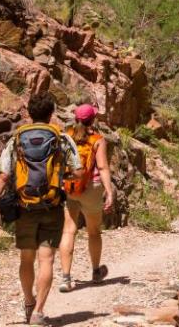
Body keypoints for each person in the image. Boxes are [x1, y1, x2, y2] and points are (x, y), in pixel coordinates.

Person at [0, 94, 83, 326]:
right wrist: (58, 177)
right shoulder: (62, 138)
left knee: (26, 258)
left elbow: (2, 177)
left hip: (24, 206)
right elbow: (78, 172)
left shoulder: (16, 139)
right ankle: (38, 312)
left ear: (29, 113)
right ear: (51, 114)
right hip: (52, 206)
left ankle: (28, 302)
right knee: (45, 259)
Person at [58, 104, 114, 292]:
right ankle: (96, 272)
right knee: (93, 231)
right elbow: (103, 167)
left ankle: (66, 278)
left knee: (68, 231)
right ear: (93, 120)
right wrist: (109, 191)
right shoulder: (98, 139)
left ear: (76, 119)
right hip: (92, 188)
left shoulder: (66, 136)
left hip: (70, 187)